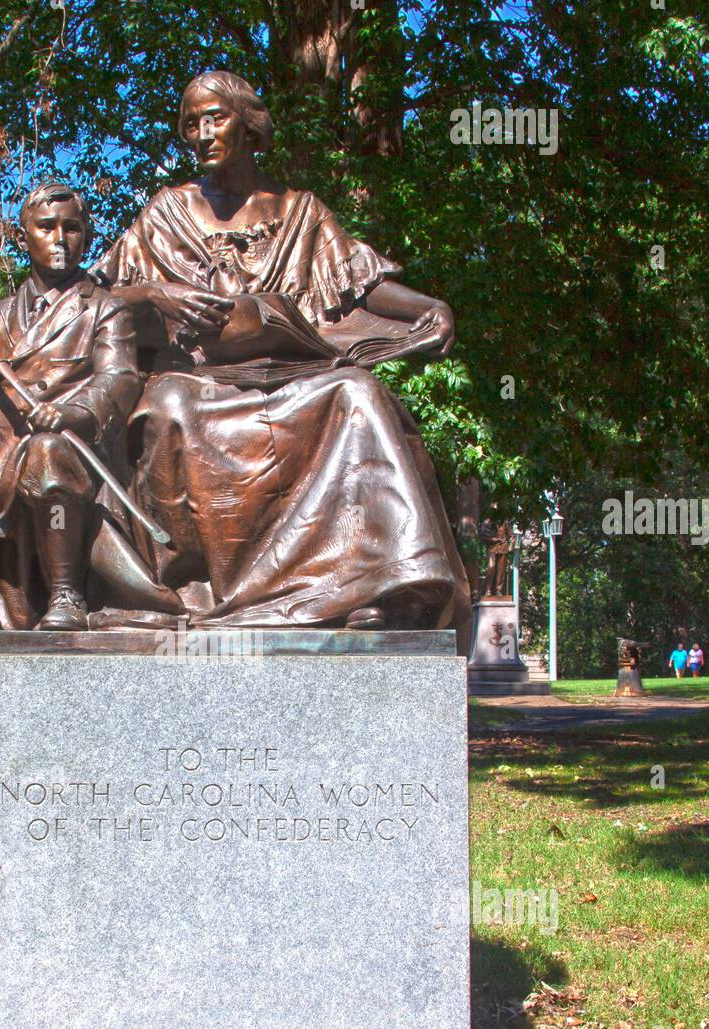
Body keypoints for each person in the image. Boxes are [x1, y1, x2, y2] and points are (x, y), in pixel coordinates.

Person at [89, 70, 470, 633]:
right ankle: (190, 595)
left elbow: (358, 281)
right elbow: (96, 298)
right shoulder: (163, 214)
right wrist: (154, 295)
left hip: (288, 374)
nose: (202, 133)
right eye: (191, 123)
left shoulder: (301, 212)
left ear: (249, 124)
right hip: (196, 377)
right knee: (165, 409)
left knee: (358, 394)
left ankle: (377, 584)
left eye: (216, 117)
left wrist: (427, 306)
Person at [0, 181, 142, 631]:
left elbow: (120, 379)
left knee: (48, 451)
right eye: (47, 226)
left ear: (87, 237)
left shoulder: (105, 310)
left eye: (71, 228)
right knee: (17, 622)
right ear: (23, 237)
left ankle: (67, 592)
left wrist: (72, 412)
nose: (60, 238)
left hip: (75, 462)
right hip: (4, 472)